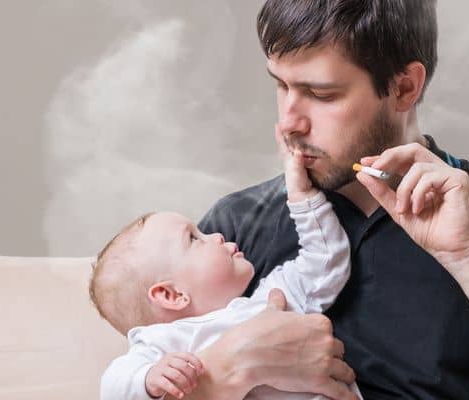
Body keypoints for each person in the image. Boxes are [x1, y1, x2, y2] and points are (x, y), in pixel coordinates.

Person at [182, 0, 469, 399]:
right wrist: (221, 376)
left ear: (404, 87)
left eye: (320, 94)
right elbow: (145, 372)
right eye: (281, 86)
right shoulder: (234, 228)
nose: (288, 122)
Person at [90, 128, 361, 399]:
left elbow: (325, 261)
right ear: (171, 295)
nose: (216, 235)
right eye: (195, 238)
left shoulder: (271, 300)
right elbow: (113, 386)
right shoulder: (166, 345)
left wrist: (303, 198)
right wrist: (147, 379)